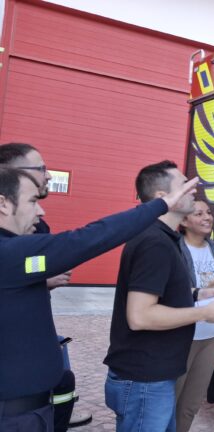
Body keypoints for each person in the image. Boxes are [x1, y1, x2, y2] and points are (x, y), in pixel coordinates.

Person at [0, 166, 197, 432]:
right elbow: (90, 238)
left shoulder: (17, 258)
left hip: (29, 411)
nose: (41, 211)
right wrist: (161, 206)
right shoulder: (11, 254)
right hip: (14, 417)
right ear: (2, 203)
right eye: (33, 201)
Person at [103, 161, 214, 432]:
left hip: (149, 378)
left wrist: (198, 293)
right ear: (163, 199)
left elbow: (155, 295)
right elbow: (140, 316)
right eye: (184, 184)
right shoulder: (155, 243)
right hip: (143, 382)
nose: (193, 189)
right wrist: (204, 312)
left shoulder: (160, 238)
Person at [0, 142, 92, 430]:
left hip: (35, 386)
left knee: (63, 380)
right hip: (15, 405)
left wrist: (41, 282)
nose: (48, 176)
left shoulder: (31, 224)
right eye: (41, 169)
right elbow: (88, 240)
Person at [175, 200, 214, 432]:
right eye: (198, 213)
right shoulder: (175, 251)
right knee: (169, 402)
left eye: (209, 212)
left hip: (211, 338)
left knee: (190, 405)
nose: (207, 217)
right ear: (183, 221)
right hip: (183, 338)